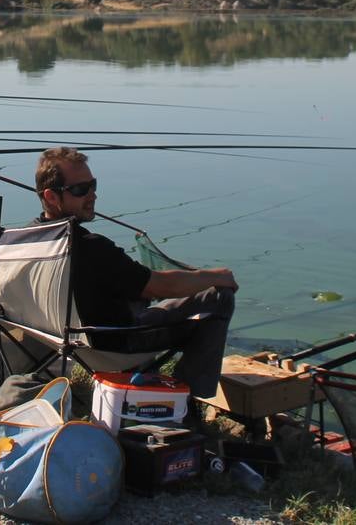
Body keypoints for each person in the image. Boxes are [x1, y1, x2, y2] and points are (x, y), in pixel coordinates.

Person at [32, 147, 238, 400]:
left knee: (135, 296)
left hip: (61, 345)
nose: (92, 195)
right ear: (52, 197)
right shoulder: (90, 247)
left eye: (93, 185)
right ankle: (187, 400)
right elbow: (161, 287)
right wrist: (217, 276)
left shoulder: (24, 241)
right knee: (218, 298)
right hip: (114, 344)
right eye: (80, 190)